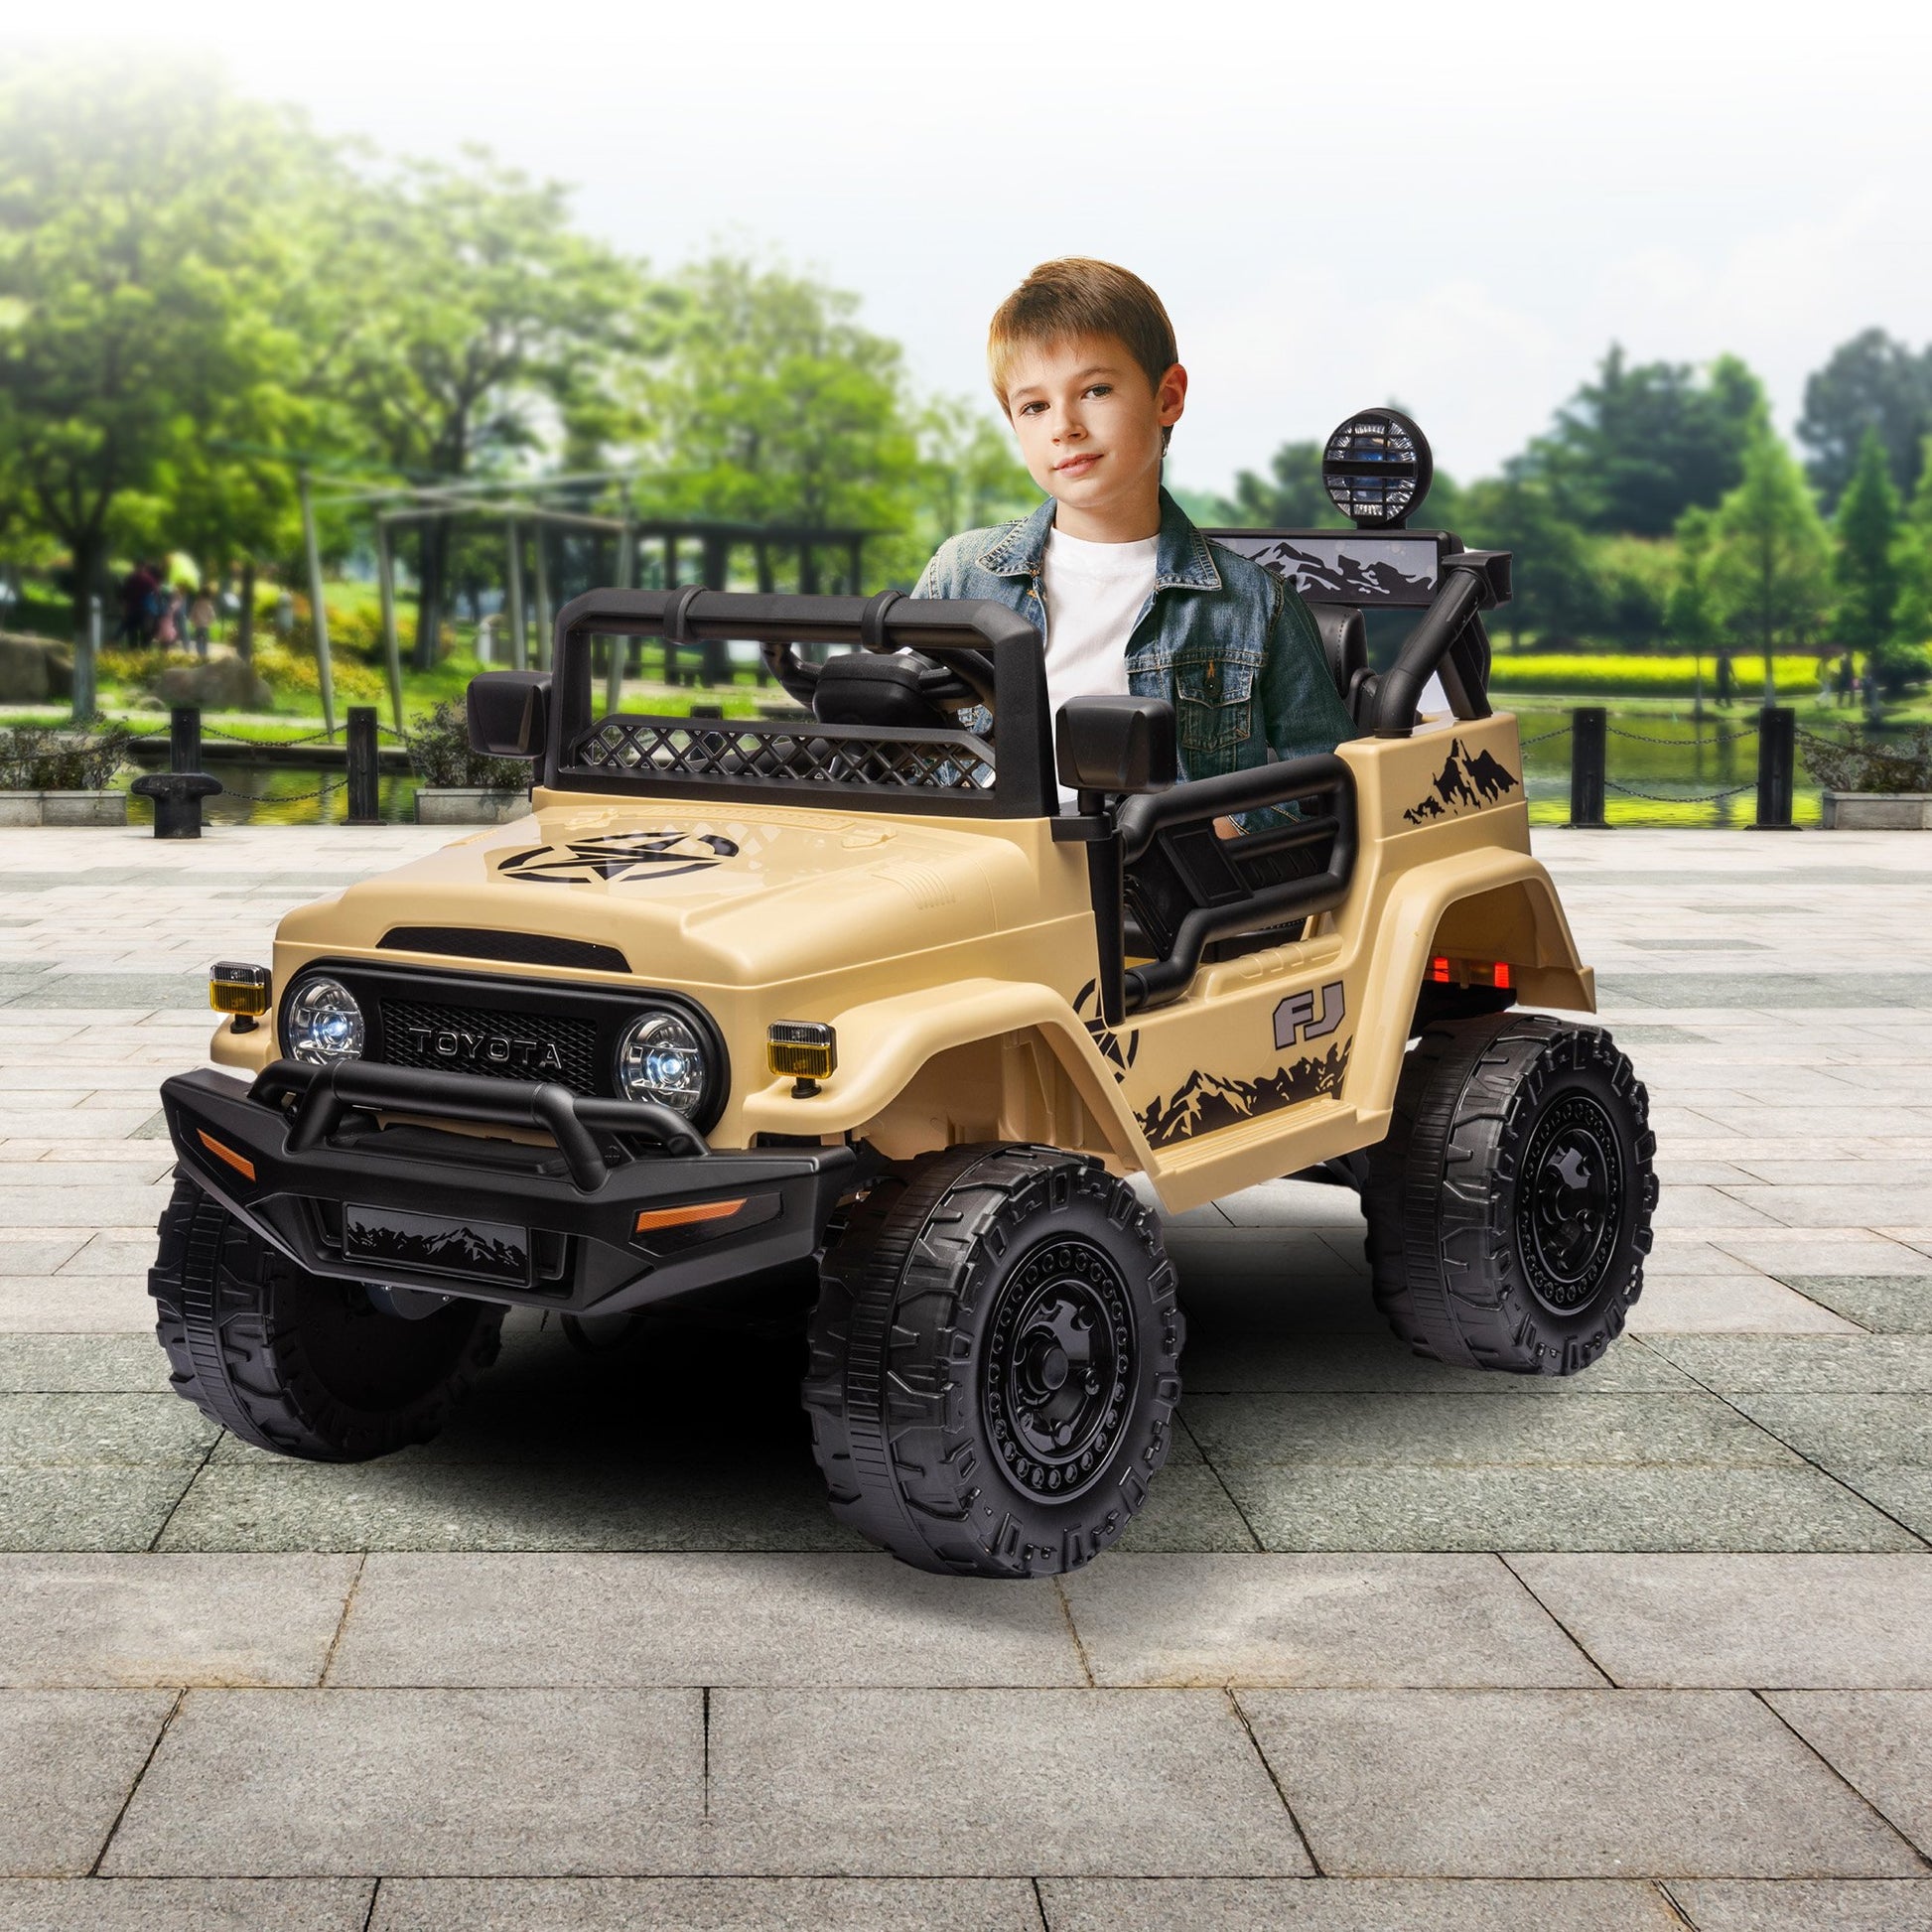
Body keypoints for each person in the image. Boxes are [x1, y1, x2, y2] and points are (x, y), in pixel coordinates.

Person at [911, 258, 1354, 823]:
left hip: (1157, 897)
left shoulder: (1254, 606)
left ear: (1166, 397)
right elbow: (895, 738)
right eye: (1035, 406)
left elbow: (1329, 789)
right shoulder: (963, 574)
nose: (1064, 425)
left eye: (1095, 390)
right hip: (983, 876)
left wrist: (1213, 831)